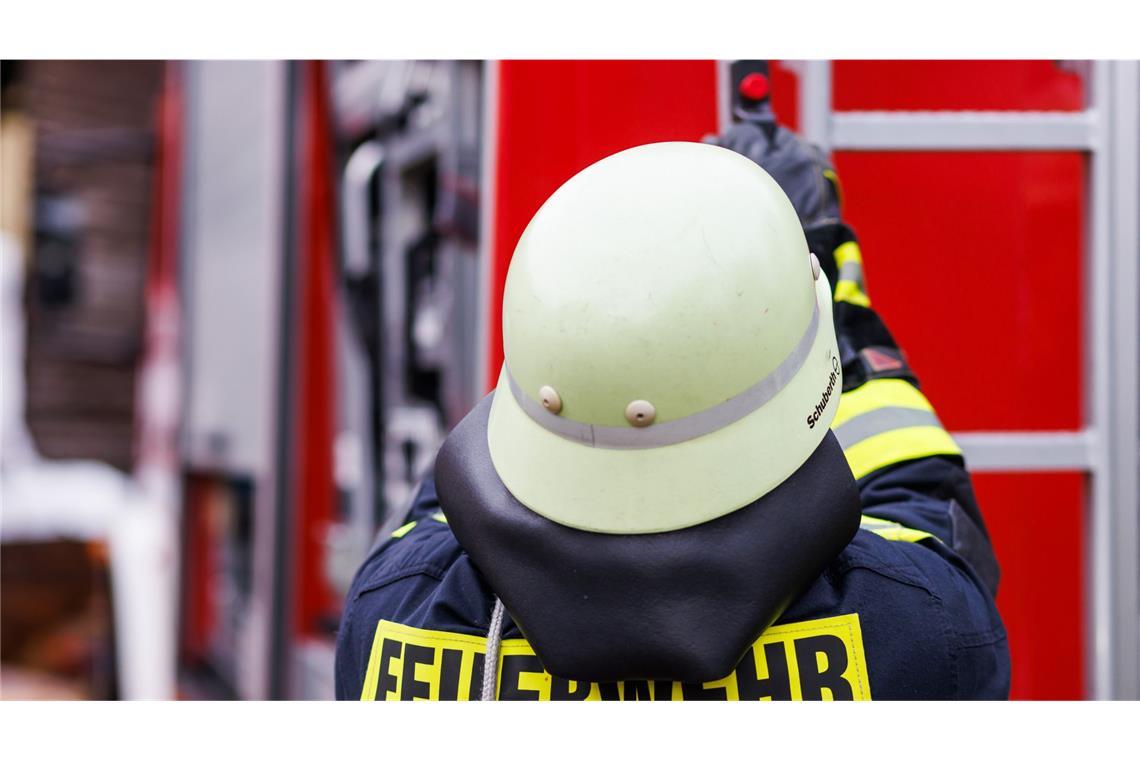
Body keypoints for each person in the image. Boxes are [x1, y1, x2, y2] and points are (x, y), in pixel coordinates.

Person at [334, 123, 1011, 701]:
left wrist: (572, 345)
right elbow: (928, 514)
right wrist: (837, 297)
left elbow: (444, 501)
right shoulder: (919, 631)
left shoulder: (392, 621)